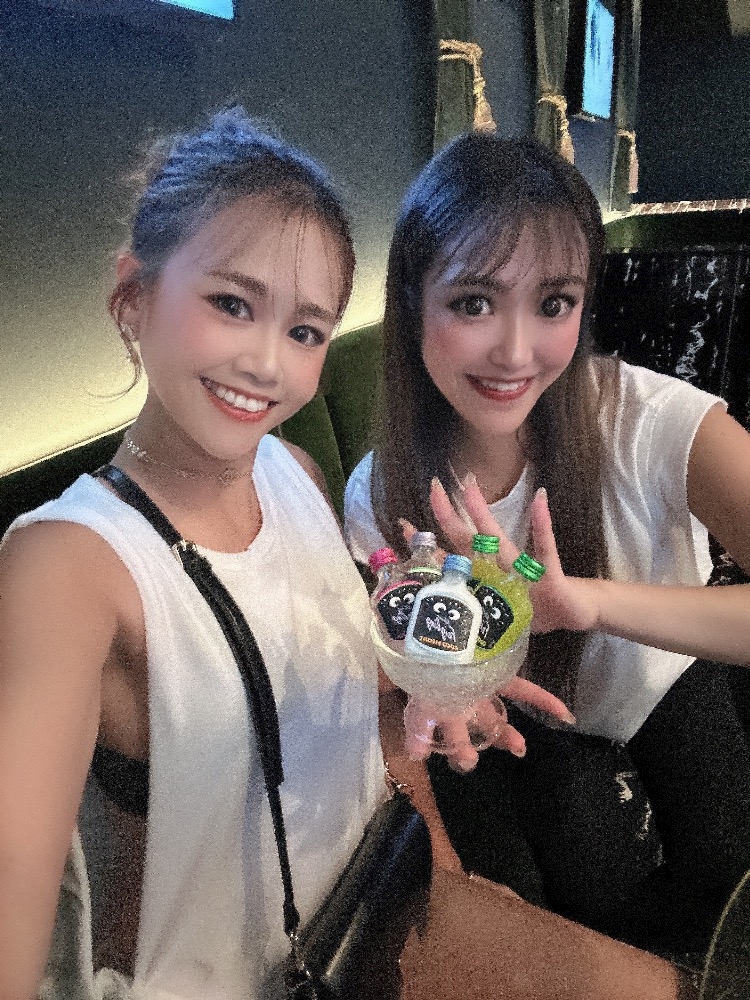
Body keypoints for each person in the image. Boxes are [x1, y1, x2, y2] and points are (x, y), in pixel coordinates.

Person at [0, 107, 601, 1000]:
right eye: (232, 304)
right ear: (135, 295)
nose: (267, 365)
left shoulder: (298, 475)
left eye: (306, 330)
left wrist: (441, 843)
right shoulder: (66, 565)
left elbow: (351, 718)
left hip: (370, 908)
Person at [344, 130, 750, 961]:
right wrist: (434, 692)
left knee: (722, 886)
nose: (516, 352)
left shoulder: (656, 423)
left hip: (670, 684)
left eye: (554, 303)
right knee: (576, 911)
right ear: (413, 301)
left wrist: (587, 602)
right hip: (527, 732)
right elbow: (401, 675)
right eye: (474, 303)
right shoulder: (379, 494)